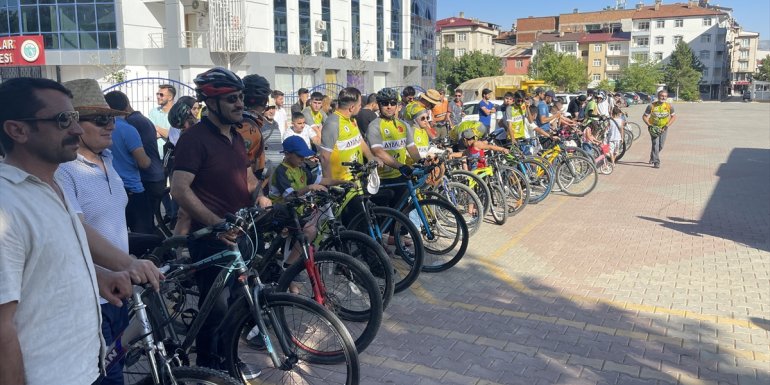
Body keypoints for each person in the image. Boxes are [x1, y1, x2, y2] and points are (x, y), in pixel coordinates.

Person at [0, 78, 157, 385]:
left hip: (85, 366)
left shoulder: (49, 184)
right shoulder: (7, 204)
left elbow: (52, 256)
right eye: (62, 120)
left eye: (74, 118)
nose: (75, 129)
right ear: (17, 130)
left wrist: (98, 277)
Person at [171, 67, 269, 375]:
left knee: (239, 305)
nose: (240, 104)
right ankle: (207, 368)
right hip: (209, 238)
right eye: (231, 100)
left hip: (238, 233)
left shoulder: (236, 137)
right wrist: (216, 224)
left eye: (240, 98)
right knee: (216, 308)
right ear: (210, 104)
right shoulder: (194, 139)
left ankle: (228, 361)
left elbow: (248, 177)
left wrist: (269, 201)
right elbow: (179, 189)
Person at [57, 78, 138, 385]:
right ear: (73, 124)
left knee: (118, 364)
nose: (111, 126)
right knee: (108, 376)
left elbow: (111, 220)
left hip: (118, 290)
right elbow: (78, 231)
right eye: (101, 120)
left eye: (112, 119)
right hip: (92, 296)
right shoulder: (63, 170)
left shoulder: (108, 159)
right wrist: (128, 264)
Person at [104, 90, 154, 234]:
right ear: (126, 106)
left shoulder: (100, 130)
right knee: (144, 236)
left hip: (111, 189)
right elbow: (143, 163)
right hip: (132, 190)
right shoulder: (128, 129)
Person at [118, 90, 167, 234]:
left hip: (147, 177)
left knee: (145, 228)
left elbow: (143, 161)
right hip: (154, 175)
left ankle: (159, 253)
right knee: (148, 223)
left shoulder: (129, 124)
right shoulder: (142, 119)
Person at [366, 87, 420, 208]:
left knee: (403, 217)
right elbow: (378, 152)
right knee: (385, 221)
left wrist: (421, 162)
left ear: (397, 105)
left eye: (392, 103)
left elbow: (411, 148)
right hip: (382, 180)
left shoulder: (403, 125)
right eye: (385, 103)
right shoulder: (374, 126)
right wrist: (400, 166)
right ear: (379, 105)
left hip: (401, 177)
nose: (389, 106)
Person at [319, 87, 380, 182]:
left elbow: (359, 140)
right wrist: (329, 183)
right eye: (359, 105)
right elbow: (324, 157)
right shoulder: (333, 124)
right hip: (341, 182)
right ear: (352, 108)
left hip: (356, 177)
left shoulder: (352, 119)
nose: (361, 107)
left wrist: (370, 157)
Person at [642, 89, 677, 169]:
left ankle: (652, 156)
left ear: (667, 97)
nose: (663, 97)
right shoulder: (651, 106)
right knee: (655, 144)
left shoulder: (669, 106)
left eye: (665, 96)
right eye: (662, 96)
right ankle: (656, 162)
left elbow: (674, 116)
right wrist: (649, 125)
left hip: (664, 128)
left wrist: (667, 125)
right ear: (658, 96)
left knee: (661, 145)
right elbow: (644, 116)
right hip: (654, 128)